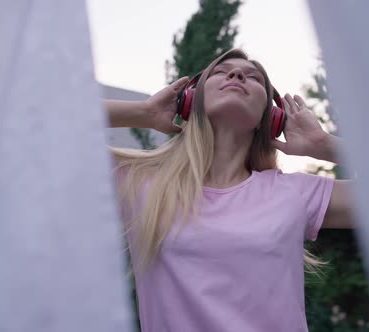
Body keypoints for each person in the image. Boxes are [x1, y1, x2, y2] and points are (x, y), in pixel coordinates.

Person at [105, 49, 353, 332]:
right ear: (189, 102)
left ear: (270, 118)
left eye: (254, 77)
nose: (236, 75)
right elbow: (48, 124)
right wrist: (144, 113)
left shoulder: (294, 193)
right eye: (221, 72)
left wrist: (323, 145)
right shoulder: (139, 182)